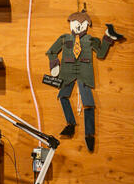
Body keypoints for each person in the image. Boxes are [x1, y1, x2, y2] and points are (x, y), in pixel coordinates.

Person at [46, 9, 124, 151]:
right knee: (62, 96)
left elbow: (100, 54)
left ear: (87, 25)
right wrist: (54, 64)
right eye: (76, 23)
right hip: (67, 73)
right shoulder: (64, 39)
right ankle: (70, 124)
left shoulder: (90, 40)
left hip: (84, 73)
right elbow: (51, 52)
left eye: (83, 24)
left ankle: (89, 134)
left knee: (89, 103)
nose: (79, 26)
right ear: (70, 23)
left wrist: (106, 40)